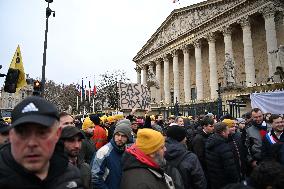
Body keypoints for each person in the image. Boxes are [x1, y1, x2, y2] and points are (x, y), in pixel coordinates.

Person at [0, 96, 83, 188]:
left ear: (57, 134)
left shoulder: (72, 177)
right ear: (11, 135)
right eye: (22, 132)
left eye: (42, 133)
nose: (32, 143)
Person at [91, 119, 132, 189]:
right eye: (118, 135)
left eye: (123, 136)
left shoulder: (128, 152)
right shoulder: (103, 152)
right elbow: (95, 178)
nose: (120, 138)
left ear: (127, 138)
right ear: (114, 135)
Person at [206, 122, 239, 189]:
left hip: (214, 179)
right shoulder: (223, 147)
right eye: (227, 131)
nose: (228, 133)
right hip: (225, 182)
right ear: (223, 133)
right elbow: (230, 168)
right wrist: (236, 180)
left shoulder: (210, 142)